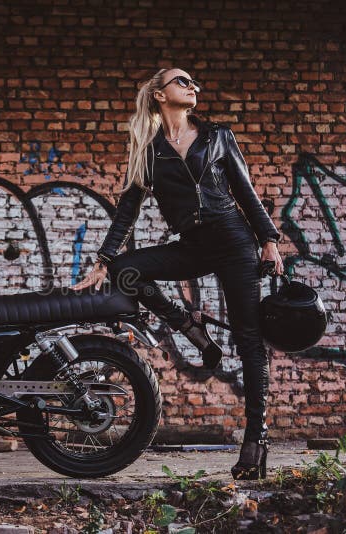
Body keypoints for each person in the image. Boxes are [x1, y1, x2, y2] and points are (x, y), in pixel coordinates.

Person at [71, 67, 284, 480]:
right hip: (192, 244)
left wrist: (269, 239)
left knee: (248, 339)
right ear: (160, 95)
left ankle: (255, 439)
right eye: (183, 82)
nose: (193, 87)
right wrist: (102, 260)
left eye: (194, 83)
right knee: (126, 270)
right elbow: (127, 211)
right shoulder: (148, 151)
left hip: (235, 240)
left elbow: (245, 190)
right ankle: (186, 322)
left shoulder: (217, 136)